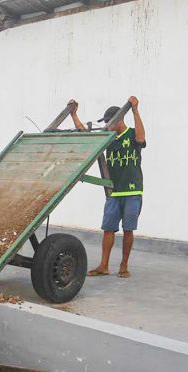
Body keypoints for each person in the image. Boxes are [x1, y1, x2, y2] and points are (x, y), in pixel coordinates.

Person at [70, 96, 146, 278]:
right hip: (113, 191)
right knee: (108, 228)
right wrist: (74, 115)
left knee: (128, 229)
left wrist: (135, 110)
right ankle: (103, 265)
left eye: (108, 122)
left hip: (132, 190)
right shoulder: (108, 138)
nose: (106, 126)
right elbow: (86, 136)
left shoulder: (132, 134)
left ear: (118, 120)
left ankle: (124, 265)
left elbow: (141, 138)